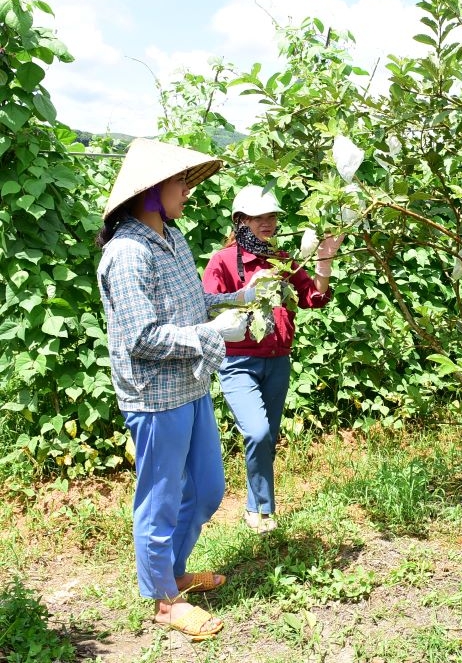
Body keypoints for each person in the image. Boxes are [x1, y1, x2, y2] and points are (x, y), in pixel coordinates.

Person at [96, 139, 264, 641]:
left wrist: (236, 298)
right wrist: (215, 334)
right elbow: (140, 338)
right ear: (150, 192)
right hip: (154, 396)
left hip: (190, 385)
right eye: (180, 184)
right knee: (160, 498)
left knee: (209, 489)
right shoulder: (127, 253)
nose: (187, 193)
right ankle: (163, 601)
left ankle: (172, 572)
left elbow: (190, 303)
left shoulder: (171, 238)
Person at [203, 185, 343, 533]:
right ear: (240, 221)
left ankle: (260, 508)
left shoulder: (282, 259)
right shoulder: (223, 261)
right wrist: (247, 295)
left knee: (268, 436)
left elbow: (313, 298)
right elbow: (206, 304)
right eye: (259, 216)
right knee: (258, 430)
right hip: (237, 362)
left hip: (278, 360)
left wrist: (323, 262)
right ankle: (258, 508)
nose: (268, 222)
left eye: (272, 216)